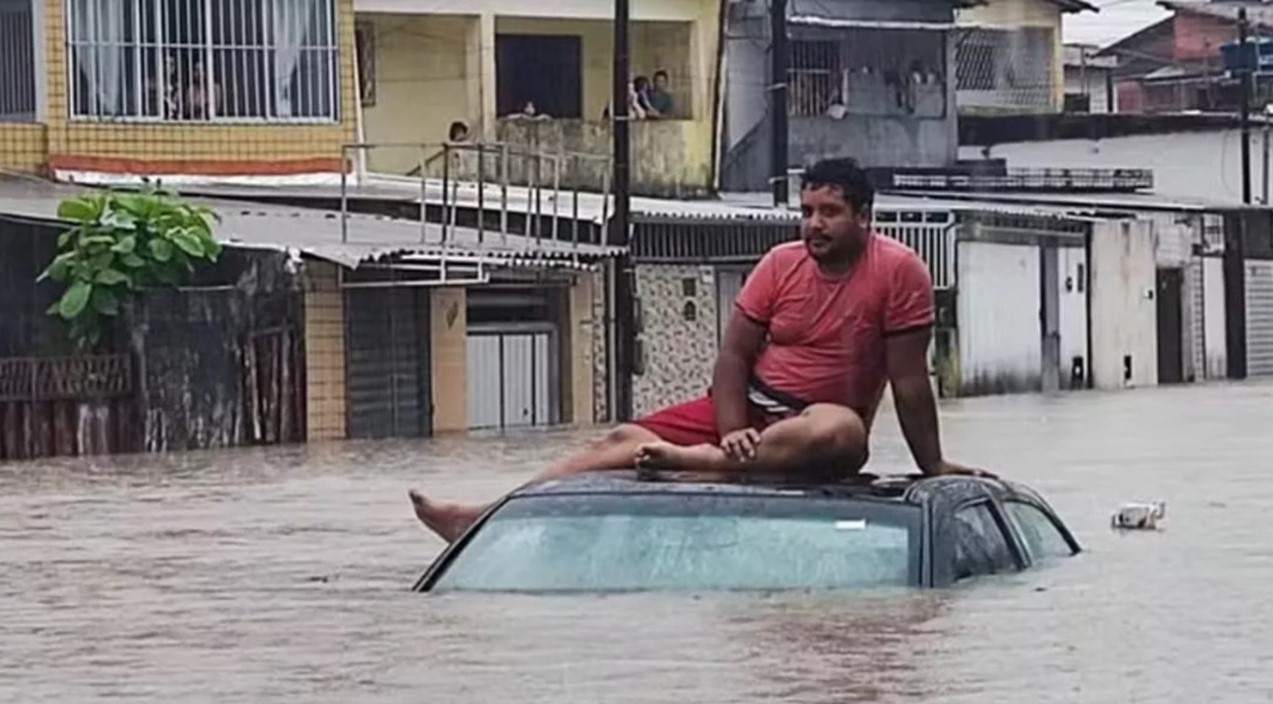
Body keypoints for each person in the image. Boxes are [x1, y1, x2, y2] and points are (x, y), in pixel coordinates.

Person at [409, 157, 989, 543]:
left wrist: (932, 465)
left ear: (865, 217)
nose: (814, 224)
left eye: (830, 213)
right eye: (807, 211)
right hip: (747, 411)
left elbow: (910, 380)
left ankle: (694, 466)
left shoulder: (900, 271)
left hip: (814, 428)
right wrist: (733, 427)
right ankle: (490, 518)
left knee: (841, 429)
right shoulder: (779, 264)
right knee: (621, 442)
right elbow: (734, 358)